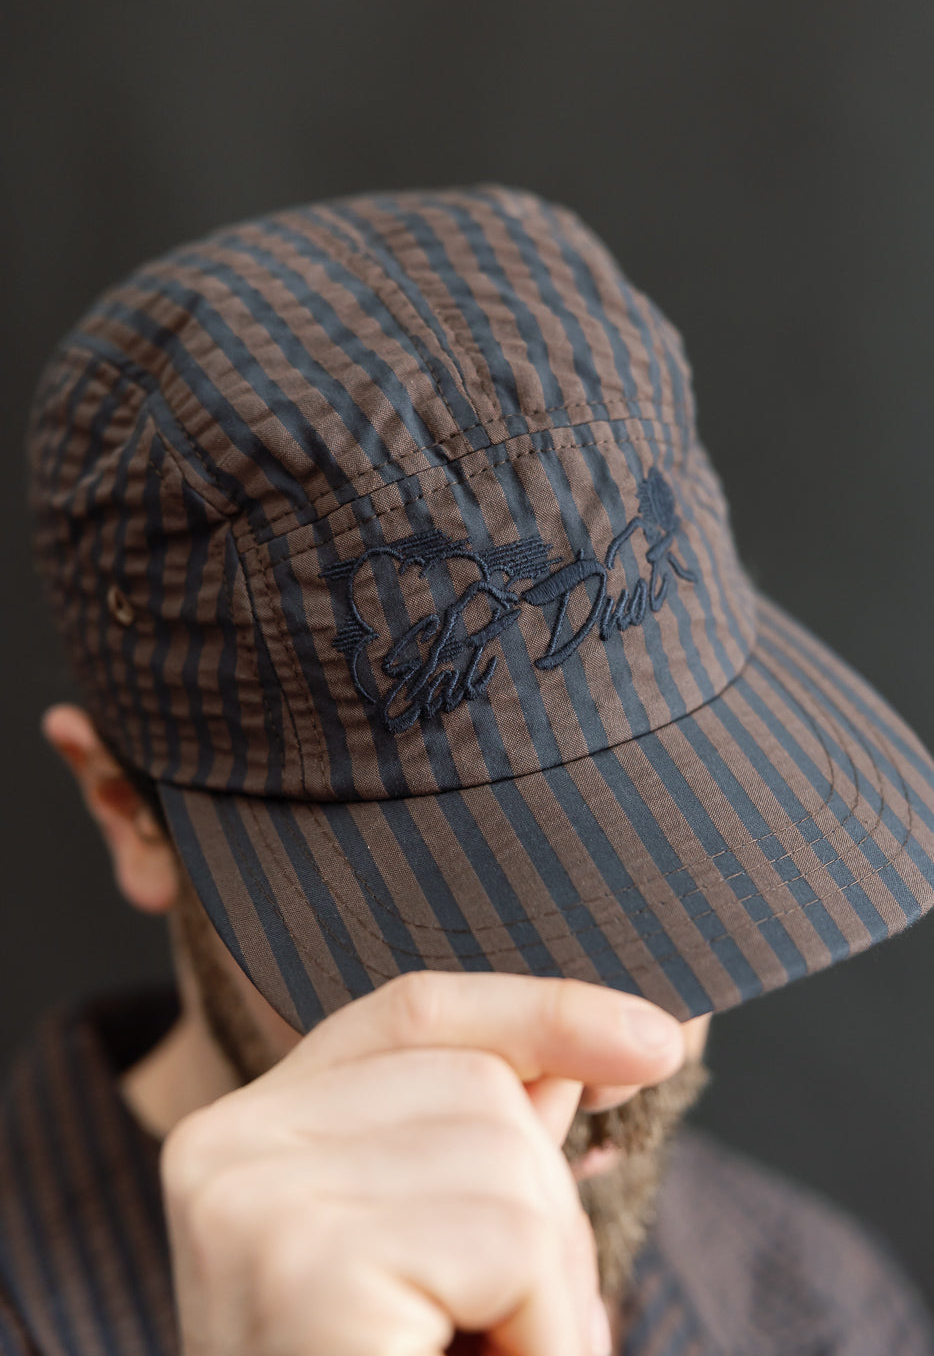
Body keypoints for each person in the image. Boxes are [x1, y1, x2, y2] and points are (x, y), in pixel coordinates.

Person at [7, 184, 934, 1355]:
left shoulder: (816, 1306)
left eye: (684, 866)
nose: (614, 1062)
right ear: (125, 811)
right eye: (470, 914)